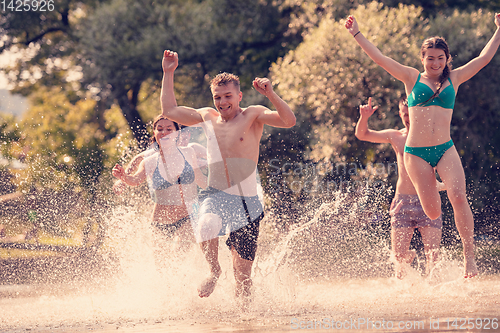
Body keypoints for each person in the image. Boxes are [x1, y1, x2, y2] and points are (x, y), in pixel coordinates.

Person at [345, 13, 500, 278]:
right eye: (430, 58)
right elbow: (380, 58)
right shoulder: (411, 78)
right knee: (433, 210)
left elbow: (484, 58)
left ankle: (469, 261)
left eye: (440, 58)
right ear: (422, 59)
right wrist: (357, 34)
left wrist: (498, 30)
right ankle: (437, 185)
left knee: (459, 196)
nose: (435, 62)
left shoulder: (456, 78)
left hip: (445, 148)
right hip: (415, 154)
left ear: (447, 59)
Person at [160, 50, 296, 301]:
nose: (222, 102)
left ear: (239, 95)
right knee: (206, 225)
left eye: (227, 96)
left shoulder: (253, 114)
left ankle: (245, 320)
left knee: (242, 276)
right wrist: (168, 72)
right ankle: (214, 271)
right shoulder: (207, 116)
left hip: (246, 201)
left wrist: (271, 94)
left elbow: (289, 121)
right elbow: (169, 110)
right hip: (215, 194)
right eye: (217, 97)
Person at [356, 97, 445, 279]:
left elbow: (447, 166)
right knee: (398, 259)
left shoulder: (434, 137)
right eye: (404, 114)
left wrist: (446, 186)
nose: (407, 117)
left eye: (410, 113)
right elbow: (362, 134)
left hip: (428, 201)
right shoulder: (397, 137)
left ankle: (433, 296)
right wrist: (364, 117)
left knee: (432, 257)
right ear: (400, 113)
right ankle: (404, 295)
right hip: (403, 202)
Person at [112, 115, 207, 248]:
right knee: (161, 266)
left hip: (186, 216)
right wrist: (124, 178)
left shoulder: (190, 150)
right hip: (160, 220)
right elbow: (136, 173)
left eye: (169, 129)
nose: (165, 133)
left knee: (181, 256)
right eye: (160, 129)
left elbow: (206, 173)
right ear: (154, 132)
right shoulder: (150, 158)